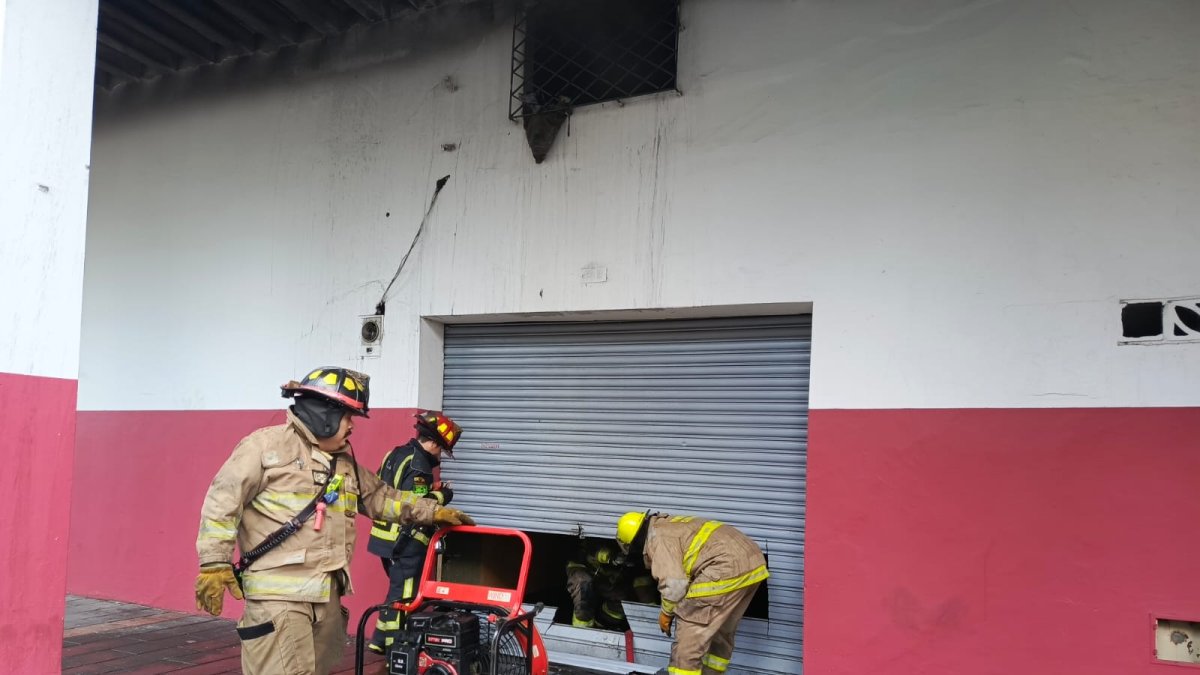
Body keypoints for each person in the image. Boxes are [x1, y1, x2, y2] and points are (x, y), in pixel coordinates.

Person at [194, 367, 474, 675]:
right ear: (323, 414)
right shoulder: (264, 447)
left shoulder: (343, 462)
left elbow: (382, 498)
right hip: (280, 601)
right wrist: (214, 563)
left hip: (326, 597)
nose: (352, 426)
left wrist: (432, 511)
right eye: (348, 416)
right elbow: (222, 502)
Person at [615, 511, 769, 675]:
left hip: (724, 568)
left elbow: (675, 584)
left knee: (690, 629)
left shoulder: (656, 539)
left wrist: (666, 613)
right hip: (752, 563)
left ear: (632, 543)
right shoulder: (668, 524)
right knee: (720, 630)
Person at [366, 410, 463, 654]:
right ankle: (395, 649)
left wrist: (430, 489)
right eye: (440, 449)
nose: (439, 454)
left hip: (385, 538)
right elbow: (416, 506)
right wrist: (443, 495)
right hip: (406, 541)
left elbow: (386, 491)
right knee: (405, 597)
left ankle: (378, 641)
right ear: (431, 442)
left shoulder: (396, 454)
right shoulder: (420, 465)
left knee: (396, 590)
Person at [565, 540, 657, 630]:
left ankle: (600, 624)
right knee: (583, 595)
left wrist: (652, 614)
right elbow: (592, 550)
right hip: (583, 568)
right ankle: (582, 632)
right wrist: (612, 556)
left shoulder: (641, 547)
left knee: (621, 598)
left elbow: (643, 587)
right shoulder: (597, 538)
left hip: (603, 574)